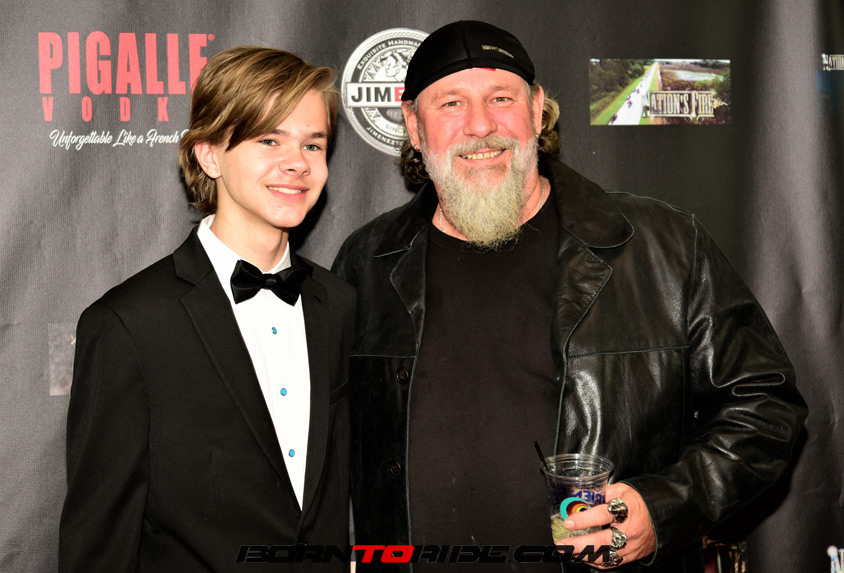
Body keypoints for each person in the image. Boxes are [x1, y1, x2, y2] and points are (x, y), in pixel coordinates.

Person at [332, 20, 806, 572]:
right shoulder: (367, 261)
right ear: (414, 126)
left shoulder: (664, 246)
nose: (480, 125)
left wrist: (662, 509)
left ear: (537, 110)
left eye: (501, 98)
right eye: (451, 103)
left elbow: (766, 408)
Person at [59, 46, 355, 572]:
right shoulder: (130, 324)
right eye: (269, 139)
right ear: (209, 155)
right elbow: (99, 544)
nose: (297, 162)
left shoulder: (339, 305)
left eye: (313, 143)